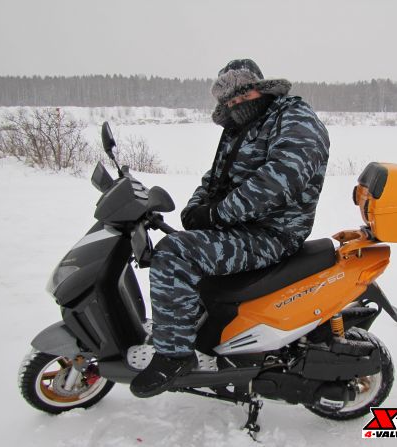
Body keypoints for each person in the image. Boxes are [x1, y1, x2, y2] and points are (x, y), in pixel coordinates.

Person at [130, 59, 330, 397]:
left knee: (174, 255)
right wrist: (196, 208)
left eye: (244, 94)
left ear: (262, 87)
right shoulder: (241, 126)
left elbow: (281, 179)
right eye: (231, 100)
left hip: (272, 232)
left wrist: (217, 214)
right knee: (181, 241)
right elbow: (216, 177)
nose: (238, 103)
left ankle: (175, 356)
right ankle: (195, 328)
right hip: (243, 226)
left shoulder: (294, 117)